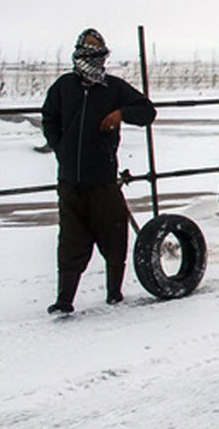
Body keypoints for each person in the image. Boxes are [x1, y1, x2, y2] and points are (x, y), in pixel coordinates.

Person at [41, 29, 156, 314]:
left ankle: (114, 293)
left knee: (114, 235)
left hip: (103, 180)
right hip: (70, 181)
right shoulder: (63, 87)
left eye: (96, 53)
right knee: (70, 241)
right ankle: (64, 300)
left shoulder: (113, 89)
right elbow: (49, 118)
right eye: (86, 52)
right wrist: (61, 148)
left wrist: (121, 114)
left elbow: (147, 111)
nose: (91, 59)